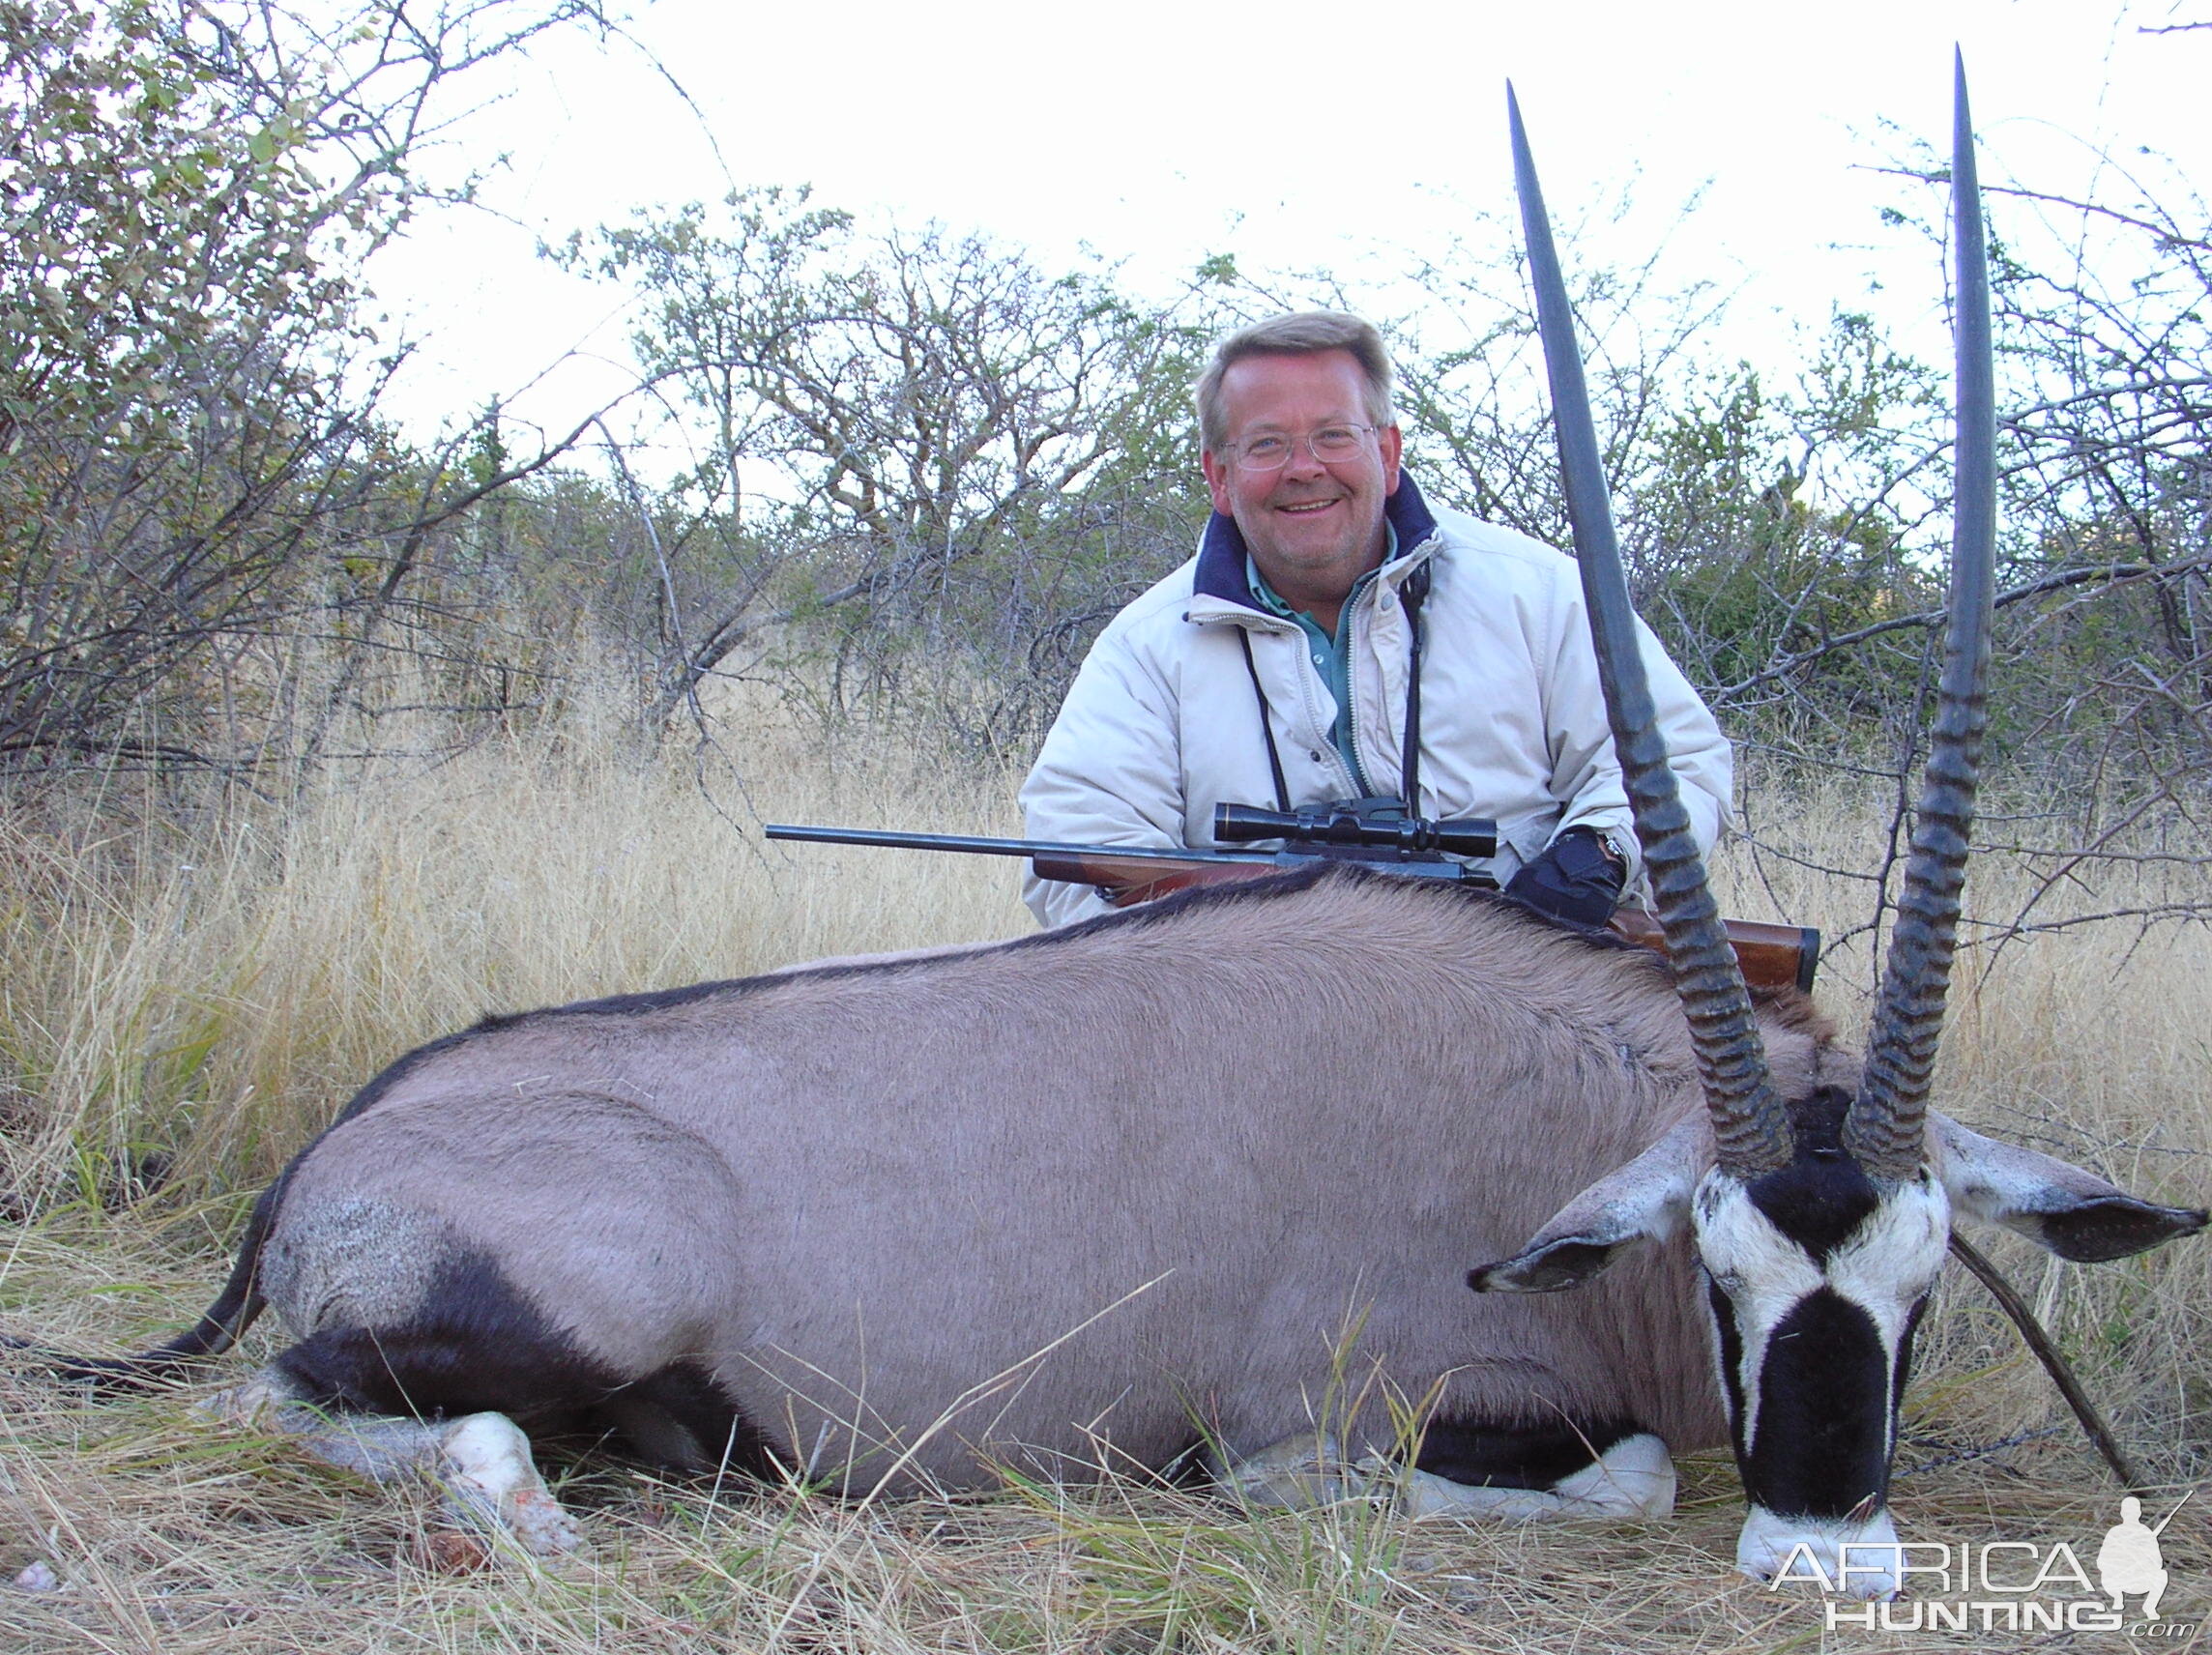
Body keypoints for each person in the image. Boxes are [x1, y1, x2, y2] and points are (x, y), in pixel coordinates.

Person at [1019, 310, 1731, 929]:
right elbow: (1076, 844)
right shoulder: (1146, 647)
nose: (1304, 468)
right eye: (1266, 445)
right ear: (1219, 477)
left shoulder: (1539, 592)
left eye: (1333, 435)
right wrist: (1231, 946)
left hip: (1529, 997)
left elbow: (1679, 764)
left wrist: (1599, 857)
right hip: (1261, 1020)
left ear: (1386, 453)